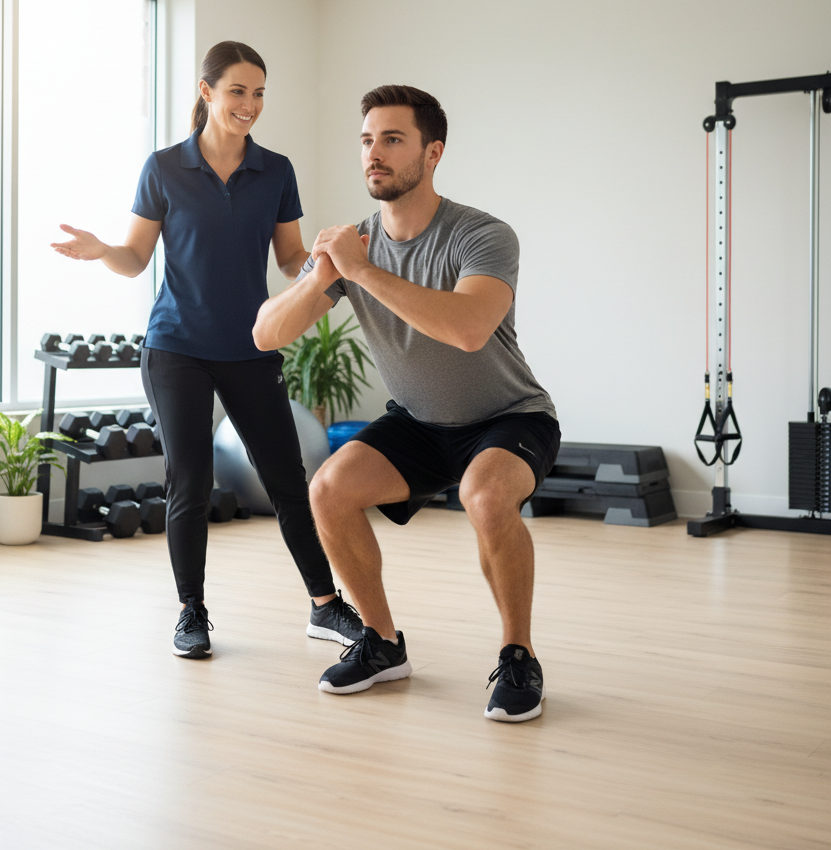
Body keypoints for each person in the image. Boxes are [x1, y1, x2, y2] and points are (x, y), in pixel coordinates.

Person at [253, 84, 559, 721]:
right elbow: (266, 333)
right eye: (367, 140)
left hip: (508, 415)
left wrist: (361, 272)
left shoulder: (480, 234)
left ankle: (518, 653)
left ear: (433, 152)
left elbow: (469, 328)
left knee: (485, 495)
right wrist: (323, 276)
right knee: (329, 489)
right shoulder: (353, 245)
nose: (375, 153)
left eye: (393, 139)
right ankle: (384, 643)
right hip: (418, 421)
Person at [51, 41, 362, 659]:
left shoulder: (275, 170)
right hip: (177, 349)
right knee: (188, 480)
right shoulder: (165, 168)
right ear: (207, 91)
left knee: (287, 481)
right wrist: (101, 249)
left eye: (259, 93)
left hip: (250, 346)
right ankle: (191, 612)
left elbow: (289, 259)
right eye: (238, 91)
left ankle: (326, 606)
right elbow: (137, 258)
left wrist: (328, 262)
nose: (250, 105)